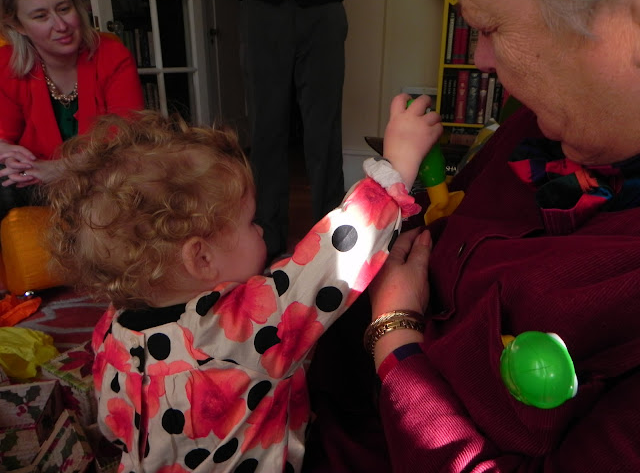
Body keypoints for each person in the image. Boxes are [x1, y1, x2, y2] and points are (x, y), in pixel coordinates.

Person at [302, 0, 640, 471]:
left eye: (490, 28)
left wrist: (394, 333)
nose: (481, 59)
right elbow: (440, 221)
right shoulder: (537, 126)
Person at [45, 95, 441, 472]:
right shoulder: (243, 328)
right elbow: (333, 258)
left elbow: (114, 424)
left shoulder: (112, 329)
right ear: (201, 259)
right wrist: (397, 163)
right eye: (250, 222)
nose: (262, 229)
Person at [0, 0, 144, 220]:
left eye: (64, 9)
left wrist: (55, 169)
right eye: (41, 16)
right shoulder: (6, 63)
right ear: (18, 26)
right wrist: (6, 152)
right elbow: (3, 133)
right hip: (34, 181)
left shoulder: (113, 56)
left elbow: (124, 142)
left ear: (77, 8)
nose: (61, 26)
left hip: (103, 177)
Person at [238, 0, 348, 260]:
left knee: (325, 133)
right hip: (262, 6)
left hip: (324, 6)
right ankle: (269, 237)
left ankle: (333, 241)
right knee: (265, 131)